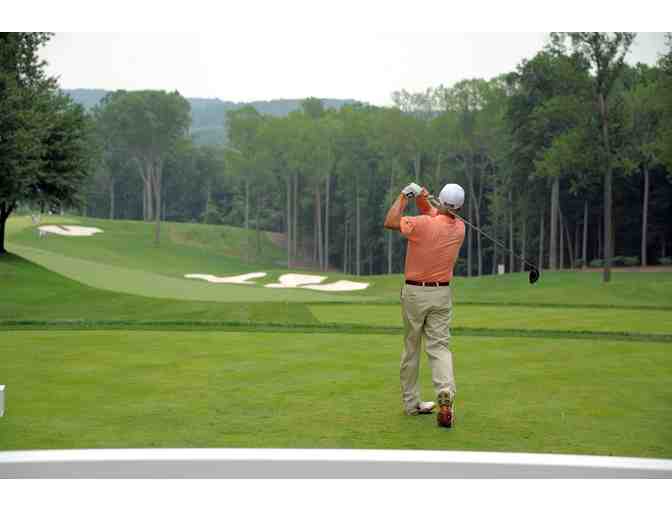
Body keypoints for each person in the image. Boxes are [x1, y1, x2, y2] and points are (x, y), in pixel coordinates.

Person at [383, 182, 466, 428]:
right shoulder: (460, 228)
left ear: (440, 200)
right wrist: (423, 197)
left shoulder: (421, 224)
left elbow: (390, 221)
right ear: (460, 207)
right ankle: (445, 392)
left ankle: (411, 404)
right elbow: (434, 214)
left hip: (415, 293)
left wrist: (404, 195)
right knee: (440, 347)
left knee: (412, 347)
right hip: (441, 294)